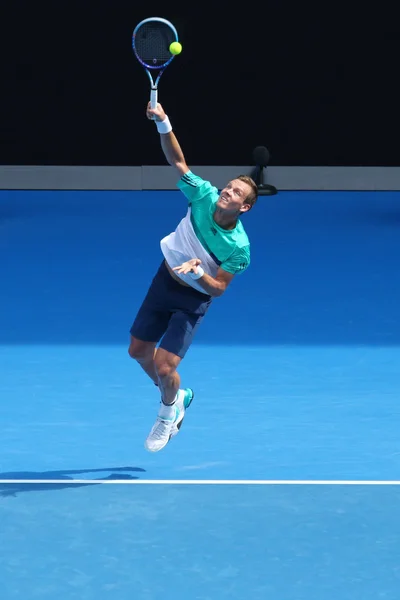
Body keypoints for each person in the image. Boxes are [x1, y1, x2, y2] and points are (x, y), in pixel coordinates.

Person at [128, 102, 258, 452]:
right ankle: (179, 396)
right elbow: (178, 161)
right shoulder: (203, 194)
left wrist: (199, 272)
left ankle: (168, 413)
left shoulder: (238, 248)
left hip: (192, 299)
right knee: (138, 351)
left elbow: (217, 290)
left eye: (235, 193)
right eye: (228, 187)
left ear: (244, 207)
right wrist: (164, 122)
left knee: (165, 366)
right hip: (163, 282)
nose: (226, 192)